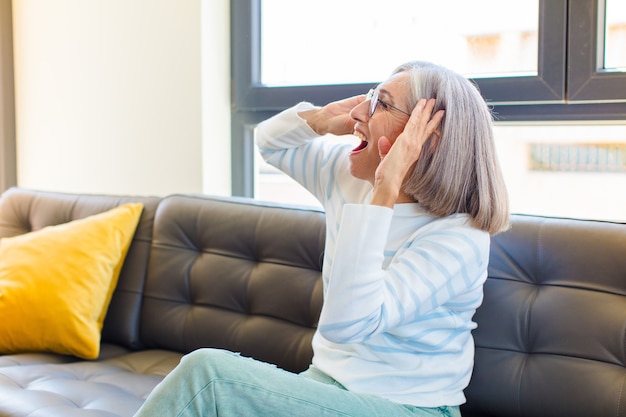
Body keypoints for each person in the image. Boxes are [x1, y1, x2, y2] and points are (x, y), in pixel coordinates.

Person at [134, 60, 509, 417]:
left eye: (382, 104)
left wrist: (386, 190)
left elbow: (348, 324)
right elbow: (270, 144)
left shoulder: (458, 238)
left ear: (426, 138)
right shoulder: (348, 180)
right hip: (325, 389)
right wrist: (321, 121)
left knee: (208, 377)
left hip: (406, 407)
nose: (360, 112)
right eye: (370, 96)